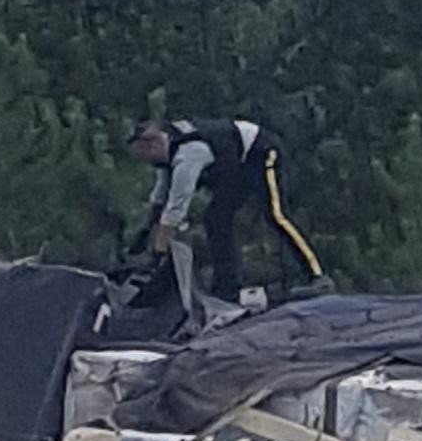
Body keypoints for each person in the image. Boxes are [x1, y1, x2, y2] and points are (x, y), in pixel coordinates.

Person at [127, 116, 324, 317]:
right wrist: (143, 234)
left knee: (276, 215)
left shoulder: (188, 155)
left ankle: (317, 275)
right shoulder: (166, 156)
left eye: (144, 155)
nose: (146, 161)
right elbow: (160, 198)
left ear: (152, 145)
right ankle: (226, 288)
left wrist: (157, 256)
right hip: (235, 166)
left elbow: (175, 210)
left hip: (260, 151)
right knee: (216, 219)